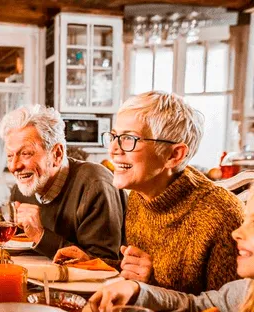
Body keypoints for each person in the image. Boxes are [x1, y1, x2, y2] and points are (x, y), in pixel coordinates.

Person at [54, 91, 243, 294]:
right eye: (114, 136)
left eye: (129, 138)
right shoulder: (139, 196)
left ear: (174, 155)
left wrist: (151, 284)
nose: (113, 149)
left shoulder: (222, 215)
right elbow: (136, 270)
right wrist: (93, 263)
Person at [89, 184, 254, 312]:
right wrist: (136, 290)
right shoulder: (246, 291)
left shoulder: (218, 209)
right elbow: (196, 308)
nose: (236, 233)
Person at [0, 104, 126, 260]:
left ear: (57, 154)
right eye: (10, 156)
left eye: (25, 153)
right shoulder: (20, 191)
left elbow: (104, 264)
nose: (14, 166)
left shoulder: (95, 184)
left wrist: (41, 235)